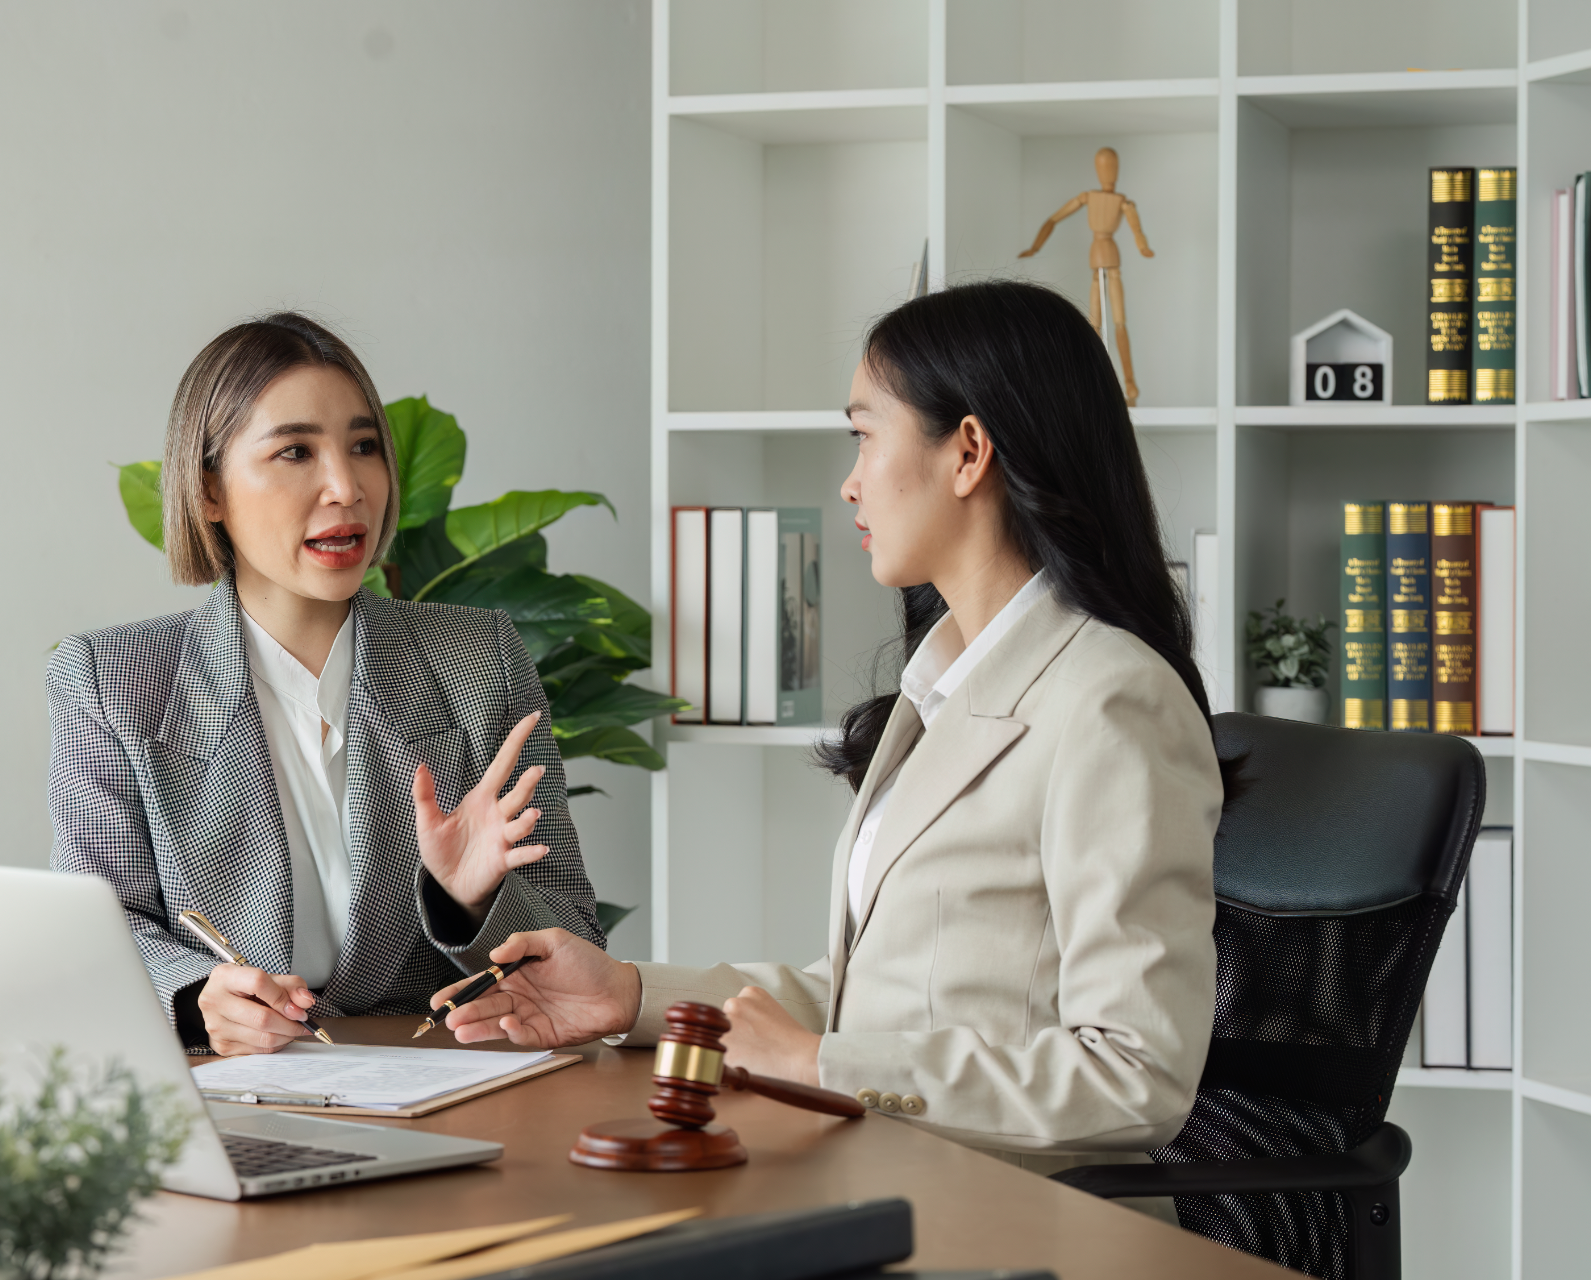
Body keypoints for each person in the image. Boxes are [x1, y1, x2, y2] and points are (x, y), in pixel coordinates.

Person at [431, 280, 1223, 1201]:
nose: (849, 481)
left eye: (864, 434)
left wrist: (823, 1067)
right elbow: (863, 1001)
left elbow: (1137, 1077)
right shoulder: (946, 682)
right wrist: (630, 996)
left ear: (968, 451)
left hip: (1009, 1217)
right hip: (888, 1182)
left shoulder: (1110, 700)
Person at [49, 313, 604, 1057]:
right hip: (227, 1096)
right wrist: (196, 1000)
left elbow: (576, 940)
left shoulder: (480, 660)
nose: (346, 487)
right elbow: (100, 930)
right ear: (209, 488)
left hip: (443, 1086)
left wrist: (468, 902)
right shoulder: (112, 682)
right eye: (295, 452)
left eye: (364, 447)